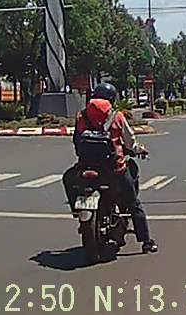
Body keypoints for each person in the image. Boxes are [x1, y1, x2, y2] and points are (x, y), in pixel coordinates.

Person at [62, 82, 158, 253]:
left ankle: (77, 210)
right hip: (114, 169)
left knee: (67, 178)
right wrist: (139, 149)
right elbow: (130, 141)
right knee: (133, 203)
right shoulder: (117, 116)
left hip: (87, 167)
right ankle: (146, 241)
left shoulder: (81, 116)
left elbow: (76, 141)